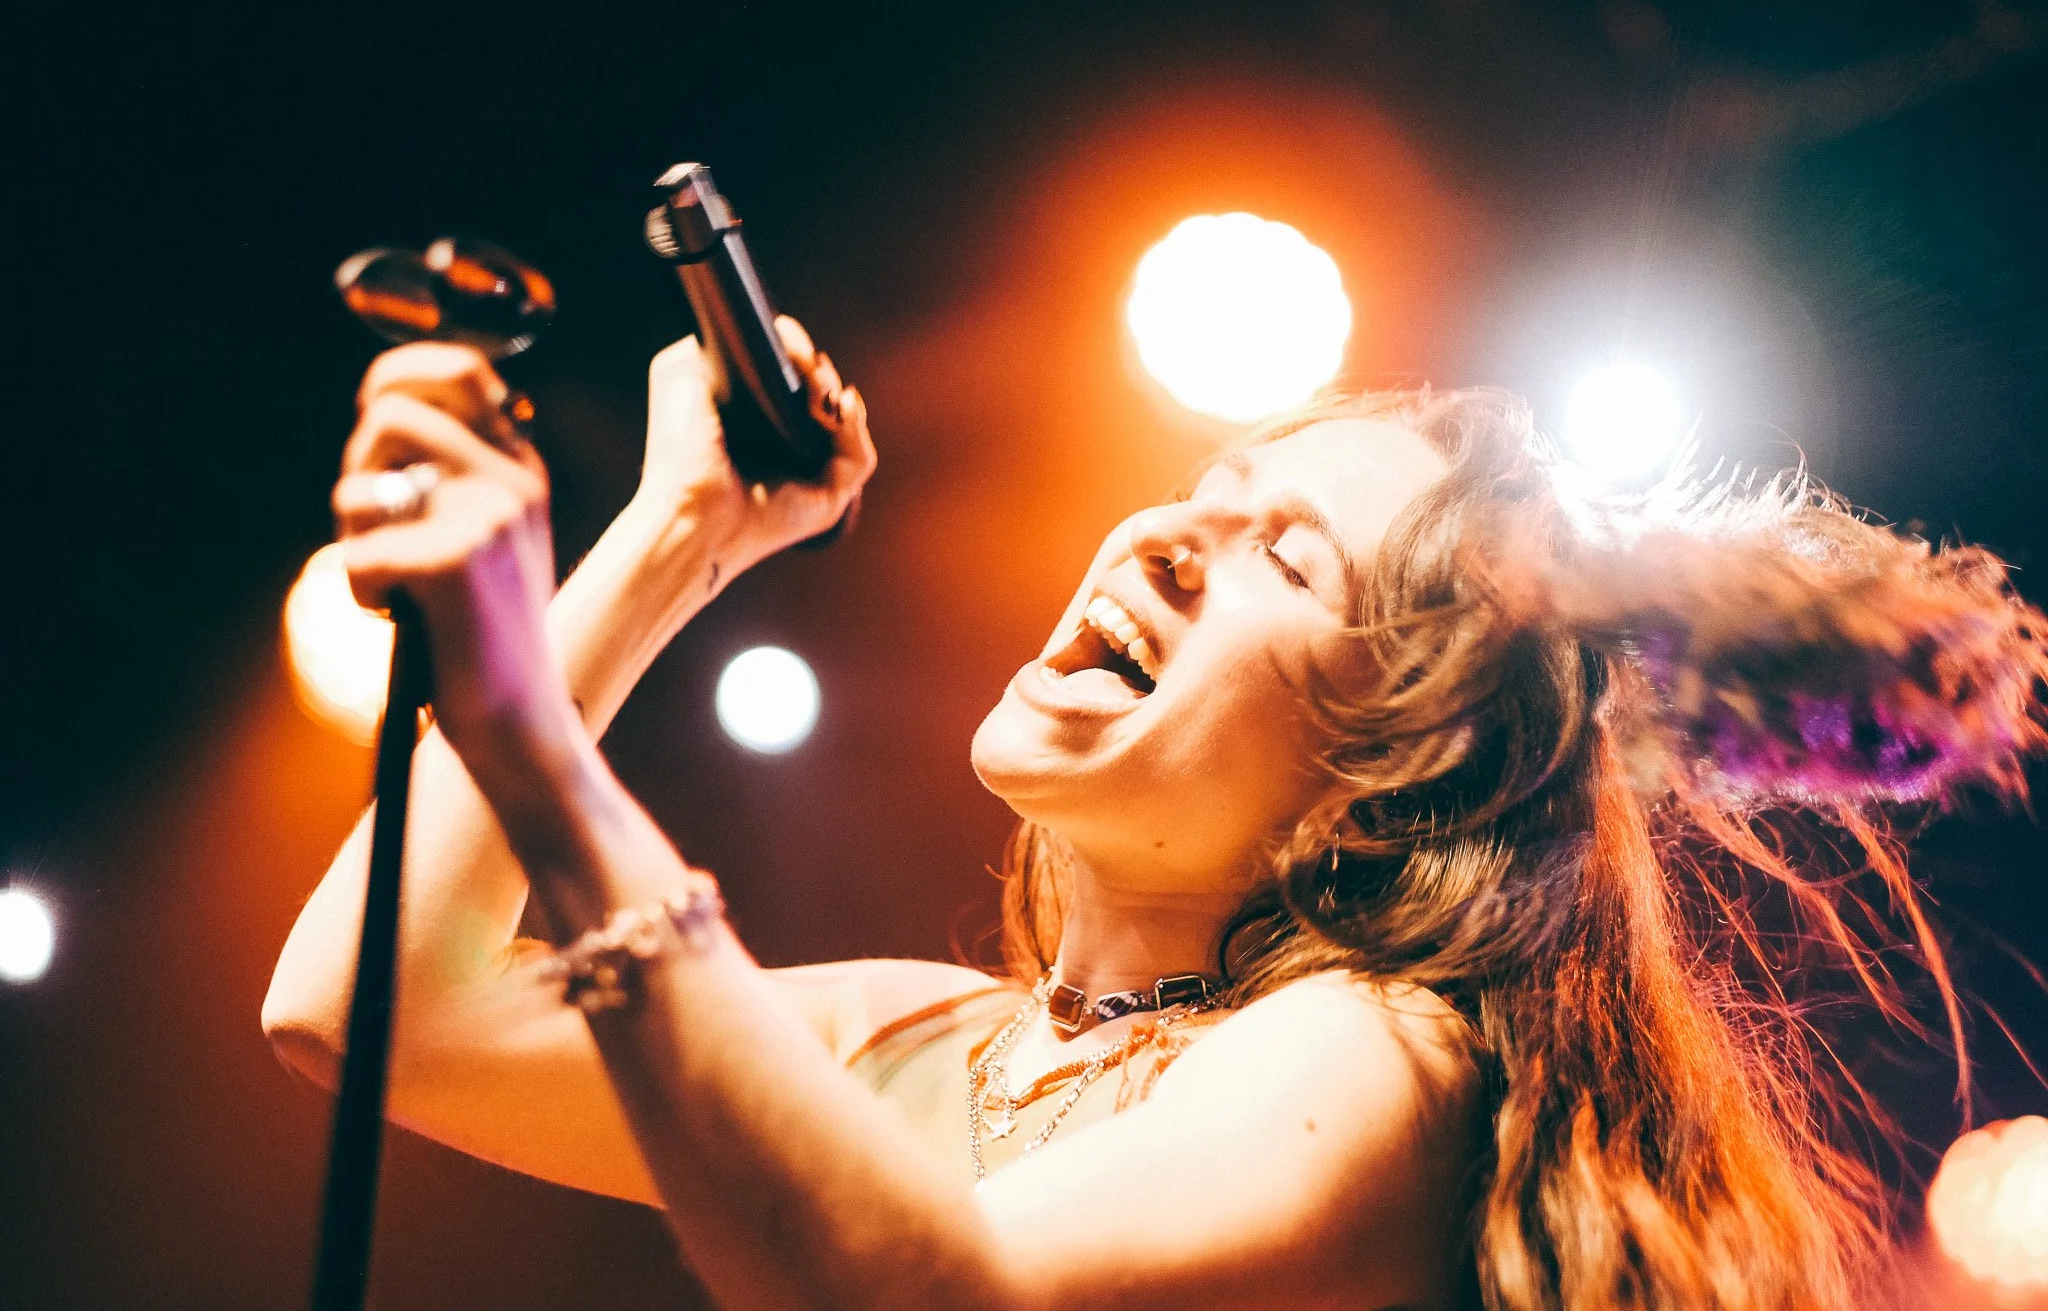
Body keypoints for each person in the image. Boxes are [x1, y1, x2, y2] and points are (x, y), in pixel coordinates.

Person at [263, 317, 2048, 1309]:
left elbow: (932, 1296)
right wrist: (673, 538)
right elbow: (367, 1009)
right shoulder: (922, 1036)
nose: (1170, 533)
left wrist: (530, 731)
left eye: (1289, 555)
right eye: (1210, 485)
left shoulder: (1381, 1056)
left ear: (1389, 772)